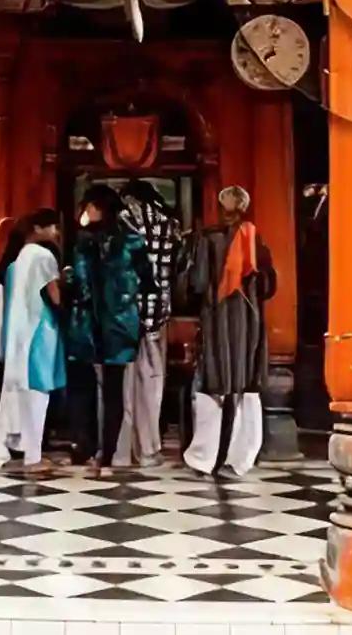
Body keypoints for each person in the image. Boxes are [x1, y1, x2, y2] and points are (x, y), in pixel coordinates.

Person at [183, 186, 273, 478]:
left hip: (218, 317)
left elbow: (195, 284)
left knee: (214, 384)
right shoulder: (255, 238)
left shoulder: (207, 238)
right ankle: (241, 457)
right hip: (249, 321)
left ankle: (205, 458)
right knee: (245, 384)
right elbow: (269, 285)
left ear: (221, 206)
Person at [63, 184, 149, 475]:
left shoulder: (82, 243)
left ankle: (85, 446)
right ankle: (108, 456)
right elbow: (147, 282)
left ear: (99, 208)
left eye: (89, 206)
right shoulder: (133, 243)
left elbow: (79, 286)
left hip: (86, 324)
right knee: (114, 392)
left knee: (82, 388)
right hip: (120, 325)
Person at [0, 209, 66, 473]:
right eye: (53, 227)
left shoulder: (14, 262)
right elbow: (55, 296)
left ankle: (22, 450)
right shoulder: (43, 256)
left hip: (17, 335)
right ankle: (33, 457)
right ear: (39, 228)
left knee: (21, 393)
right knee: (38, 393)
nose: (56, 233)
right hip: (40, 330)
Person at [114, 179, 182, 467]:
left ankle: (121, 452)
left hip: (124, 314)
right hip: (157, 313)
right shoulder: (169, 225)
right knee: (152, 387)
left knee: (122, 389)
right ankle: (149, 450)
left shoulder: (122, 223)